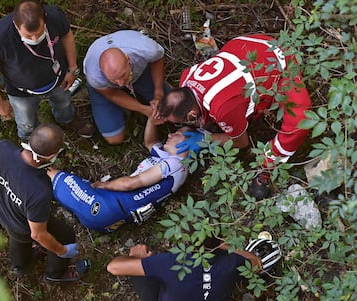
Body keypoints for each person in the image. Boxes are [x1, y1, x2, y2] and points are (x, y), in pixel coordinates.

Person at [155, 34, 312, 200]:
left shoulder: (222, 108)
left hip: (281, 64)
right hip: (247, 45)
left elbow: (241, 142)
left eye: (181, 123)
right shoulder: (186, 78)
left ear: (191, 114)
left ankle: (267, 167)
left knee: (300, 121)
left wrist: (205, 139)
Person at [0, 119, 191, 233]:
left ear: (187, 144)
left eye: (177, 134)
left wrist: (103, 186)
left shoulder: (174, 163)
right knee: (47, 184)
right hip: (112, 216)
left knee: (43, 173)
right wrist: (152, 117)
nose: (171, 134)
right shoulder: (170, 158)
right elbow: (150, 143)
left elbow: (130, 183)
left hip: (106, 207)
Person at [0, 123, 89, 282]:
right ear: (51, 156)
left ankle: (21, 266)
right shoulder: (39, 190)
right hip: (23, 227)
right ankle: (55, 275)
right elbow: (38, 234)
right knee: (65, 234)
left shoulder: (1, 149)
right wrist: (62, 251)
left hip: (3, 212)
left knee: (18, 239)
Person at [0, 0, 93, 140]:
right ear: (16, 25)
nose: (35, 38)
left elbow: (67, 35)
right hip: (21, 92)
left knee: (64, 103)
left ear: (45, 19)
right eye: (28, 36)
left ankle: (67, 120)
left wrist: (72, 68)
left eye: (39, 33)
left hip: (58, 78)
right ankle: (31, 140)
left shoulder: (55, 16)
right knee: (26, 122)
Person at [107, 238, 282, 301]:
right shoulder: (232, 264)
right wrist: (227, 246)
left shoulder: (171, 263)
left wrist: (135, 256)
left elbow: (113, 267)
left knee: (138, 263)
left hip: (164, 293)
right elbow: (256, 263)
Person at [83, 30, 170, 145]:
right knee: (114, 139)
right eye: (113, 79)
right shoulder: (95, 75)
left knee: (171, 106)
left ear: (128, 59)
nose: (120, 84)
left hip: (139, 73)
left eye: (122, 75)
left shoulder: (146, 49)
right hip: (107, 89)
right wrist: (144, 109)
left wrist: (158, 93)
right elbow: (112, 94)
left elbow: (158, 59)